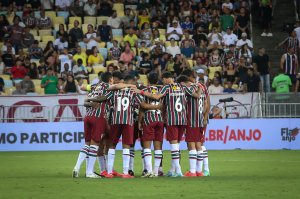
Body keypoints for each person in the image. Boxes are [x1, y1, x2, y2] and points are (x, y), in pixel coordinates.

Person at [135, 72, 201, 177]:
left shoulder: (166, 88)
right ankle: (171, 170)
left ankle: (176, 171)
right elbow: (197, 95)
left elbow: (156, 97)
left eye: (164, 79)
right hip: (182, 120)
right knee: (176, 145)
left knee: (173, 146)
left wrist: (141, 92)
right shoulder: (182, 87)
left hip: (171, 119)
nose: (163, 81)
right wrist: (199, 86)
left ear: (167, 79)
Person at [181, 69, 210, 177]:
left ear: (188, 77)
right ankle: (200, 171)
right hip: (200, 120)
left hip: (192, 120)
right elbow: (207, 102)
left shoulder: (189, 88)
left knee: (191, 144)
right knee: (199, 144)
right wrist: (205, 117)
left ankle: (193, 171)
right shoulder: (202, 86)